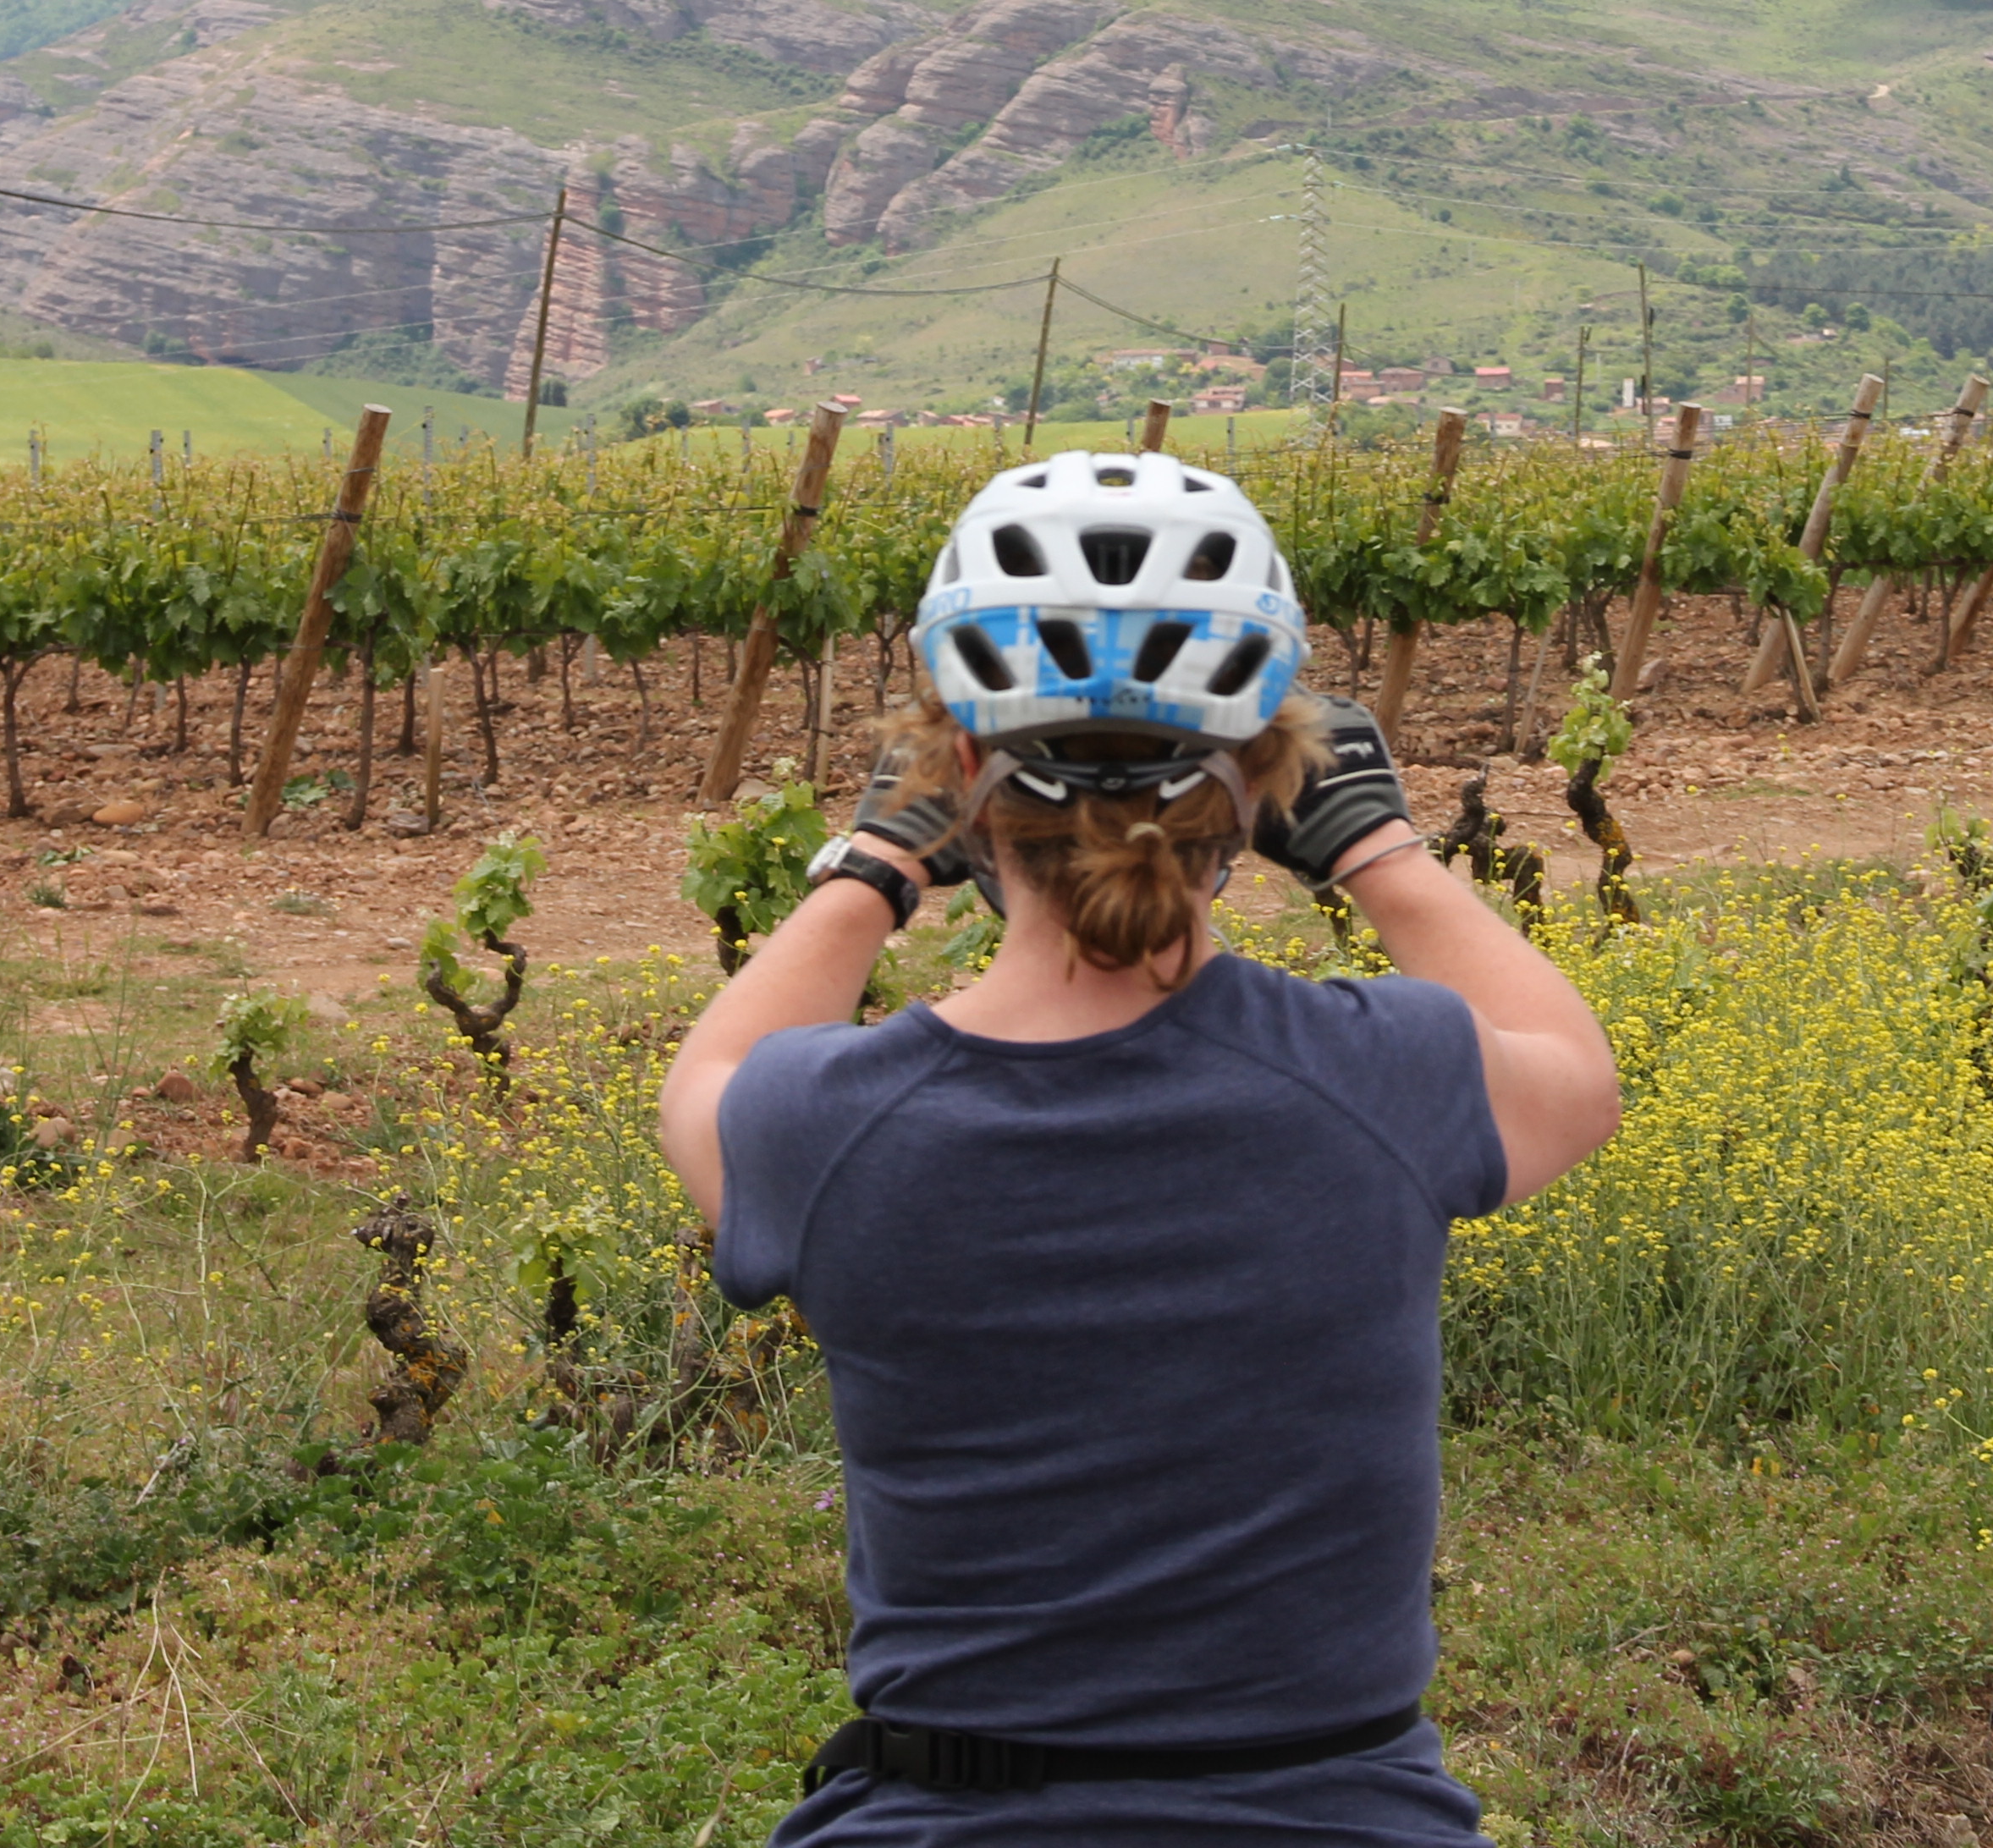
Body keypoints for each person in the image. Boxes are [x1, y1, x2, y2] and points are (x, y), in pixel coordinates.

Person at [657, 447, 1624, 1842]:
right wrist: (1381, 851)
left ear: (960, 773)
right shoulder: (1390, 1076)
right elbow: (1577, 1079)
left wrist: (873, 866)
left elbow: (706, 1079)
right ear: (1263, 782)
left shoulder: (830, 1127)